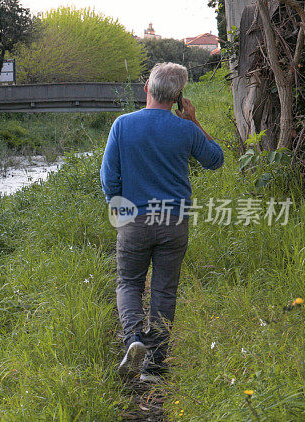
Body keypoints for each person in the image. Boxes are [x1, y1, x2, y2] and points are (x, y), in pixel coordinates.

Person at [100, 62, 224, 382]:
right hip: (174, 220)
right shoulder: (185, 129)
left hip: (134, 219)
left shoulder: (122, 125)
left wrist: (120, 208)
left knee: (129, 283)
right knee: (164, 291)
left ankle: (133, 341)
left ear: (146, 89)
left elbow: (108, 178)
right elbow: (215, 159)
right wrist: (194, 120)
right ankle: (154, 366)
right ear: (179, 97)